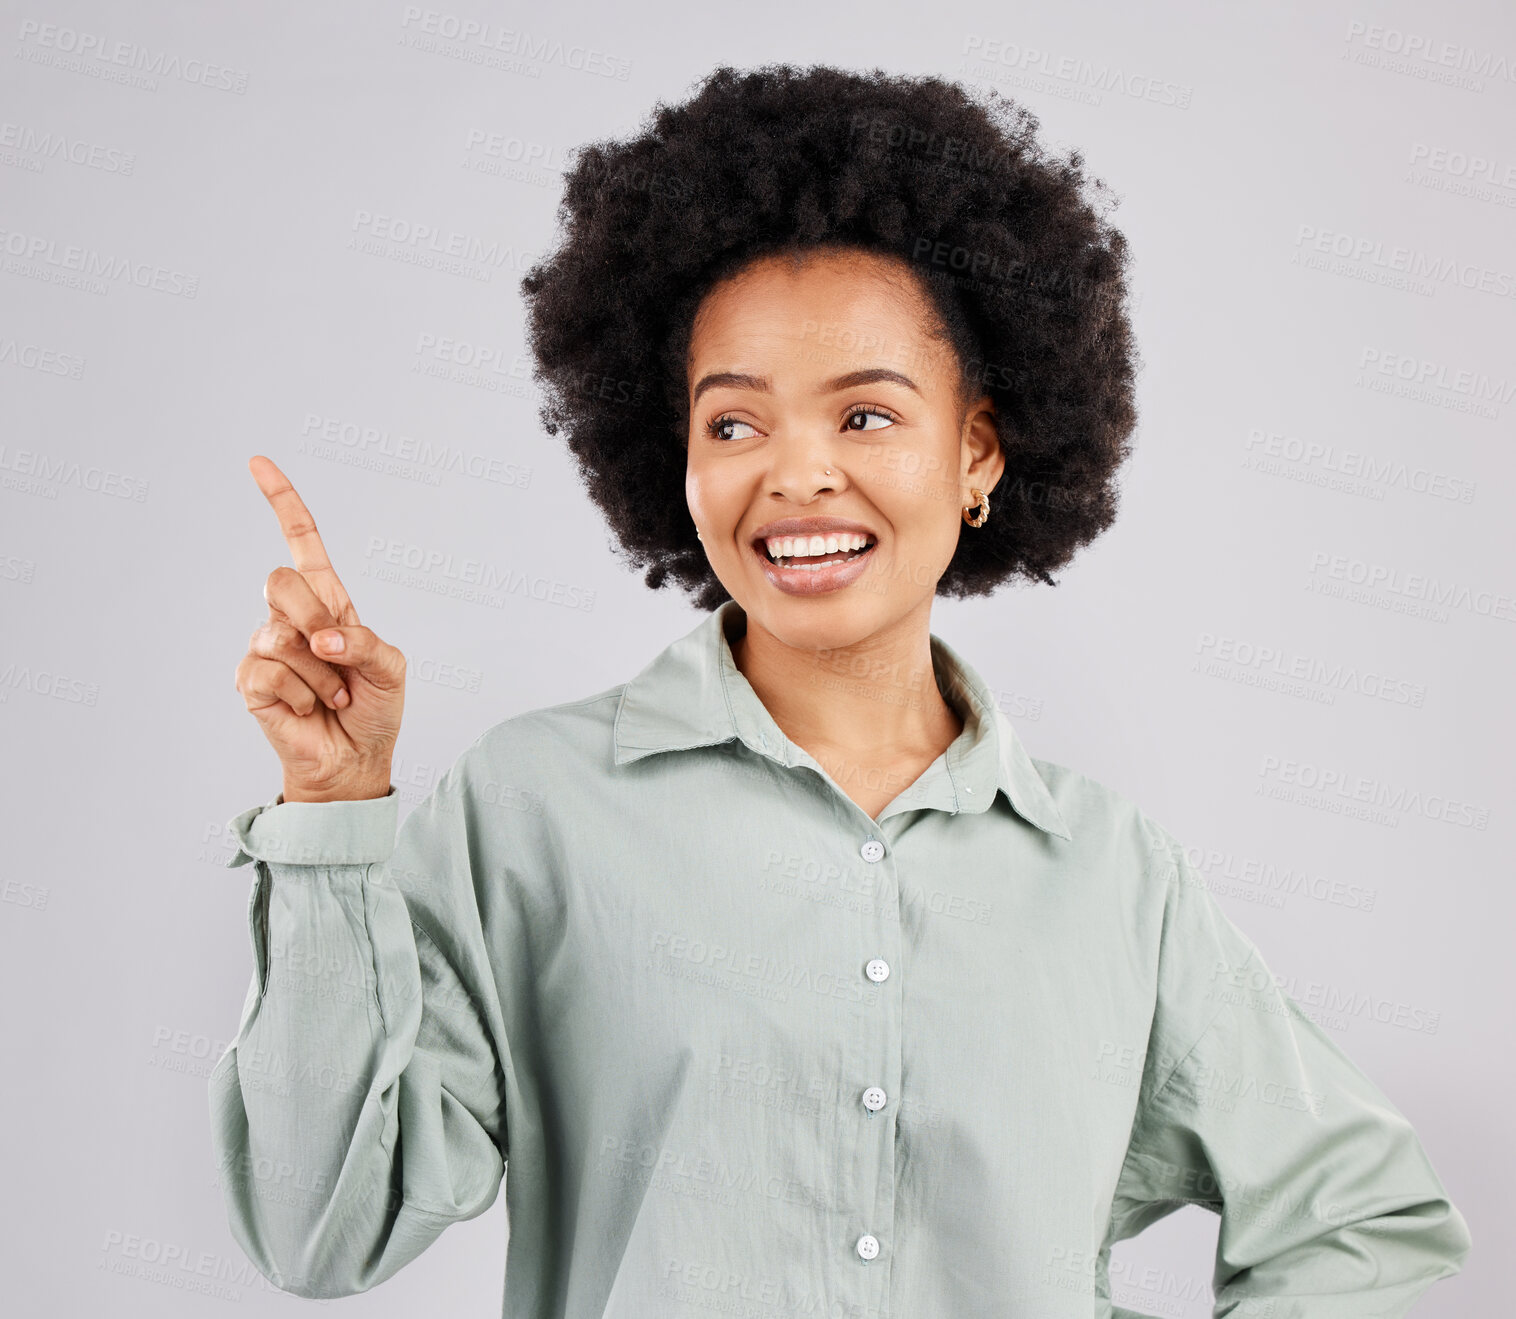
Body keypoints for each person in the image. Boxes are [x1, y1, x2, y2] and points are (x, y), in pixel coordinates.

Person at [210, 64, 1471, 1316]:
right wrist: (332, 806)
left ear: (975, 449)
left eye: (865, 416)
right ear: (676, 457)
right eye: (735, 424)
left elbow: (1359, 1216)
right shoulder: (532, 811)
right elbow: (320, 1228)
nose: (797, 475)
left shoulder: (1111, 875)